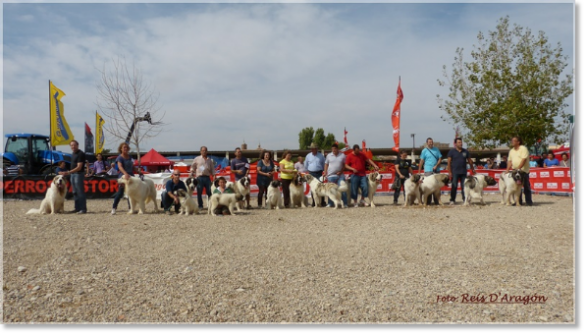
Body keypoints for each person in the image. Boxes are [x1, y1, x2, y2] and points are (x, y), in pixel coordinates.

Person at [58, 140, 87, 214]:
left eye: (74, 145)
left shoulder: (81, 154)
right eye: (71, 145)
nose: (73, 147)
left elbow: (79, 167)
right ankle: (77, 208)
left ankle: (83, 209)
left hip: (78, 174)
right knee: (74, 192)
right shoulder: (73, 153)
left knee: (80, 192)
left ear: (77, 145)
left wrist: (68, 172)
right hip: (73, 175)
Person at [447, 138, 475, 205]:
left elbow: (470, 161)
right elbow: (448, 162)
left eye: (461, 142)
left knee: (464, 187)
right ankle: (452, 200)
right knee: (454, 186)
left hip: (463, 172)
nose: (461, 143)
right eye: (459, 142)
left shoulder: (465, 151)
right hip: (455, 172)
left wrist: (472, 169)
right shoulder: (451, 152)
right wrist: (450, 172)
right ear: (455, 143)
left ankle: (464, 199)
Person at [506, 136, 533, 206]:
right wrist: (507, 169)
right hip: (514, 171)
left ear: (518, 142)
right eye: (512, 140)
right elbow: (510, 161)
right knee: (516, 186)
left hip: (523, 171)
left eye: (514, 141)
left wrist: (519, 168)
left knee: (526, 186)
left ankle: (528, 201)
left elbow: (524, 159)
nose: (512, 142)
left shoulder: (523, 149)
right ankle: (518, 201)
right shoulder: (511, 151)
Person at [111, 142, 135, 215]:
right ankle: (114, 208)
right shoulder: (119, 158)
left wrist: (138, 170)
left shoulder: (130, 157)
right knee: (120, 192)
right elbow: (120, 167)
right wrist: (125, 173)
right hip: (123, 176)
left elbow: (132, 166)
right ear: (121, 149)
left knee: (130, 193)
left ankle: (131, 208)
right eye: (124, 147)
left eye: (126, 147)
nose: (125, 149)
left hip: (131, 176)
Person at [418, 137, 442, 205]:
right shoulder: (424, 151)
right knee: (428, 186)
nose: (431, 143)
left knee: (437, 186)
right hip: (428, 170)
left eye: (431, 142)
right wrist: (419, 171)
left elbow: (440, 159)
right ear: (427, 143)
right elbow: (421, 161)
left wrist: (436, 165)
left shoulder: (436, 150)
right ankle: (428, 201)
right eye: (429, 142)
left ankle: (437, 201)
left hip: (436, 170)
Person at [324, 143, 348, 208]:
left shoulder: (342, 155)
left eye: (335, 149)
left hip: (340, 175)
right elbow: (326, 164)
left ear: (338, 149)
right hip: (331, 176)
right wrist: (325, 172)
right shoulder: (329, 155)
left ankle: (345, 203)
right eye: (332, 149)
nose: (334, 150)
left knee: (342, 188)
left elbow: (345, 165)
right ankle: (330, 203)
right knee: (330, 190)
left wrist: (341, 171)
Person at [304, 142, 326, 207]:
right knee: (313, 188)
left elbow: (324, 164)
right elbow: (306, 165)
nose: (312, 150)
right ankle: (314, 202)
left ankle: (322, 202)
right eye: (311, 148)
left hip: (319, 172)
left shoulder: (321, 156)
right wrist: (307, 171)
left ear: (316, 149)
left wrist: (324, 171)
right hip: (311, 173)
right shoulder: (308, 156)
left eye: (313, 148)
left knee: (321, 187)